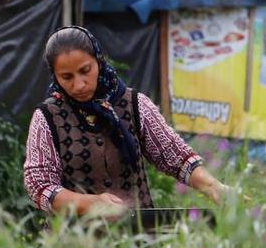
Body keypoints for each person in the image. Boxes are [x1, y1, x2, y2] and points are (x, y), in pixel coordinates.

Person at [23, 26, 226, 217]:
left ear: (99, 62)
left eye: (85, 71)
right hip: (76, 245)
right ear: (55, 76)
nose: (79, 84)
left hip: (139, 238)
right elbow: (39, 185)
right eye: (66, 77)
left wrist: (213, 187)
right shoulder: (47, 118)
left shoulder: (135, 105)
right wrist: (90, 203)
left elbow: (175, 157)